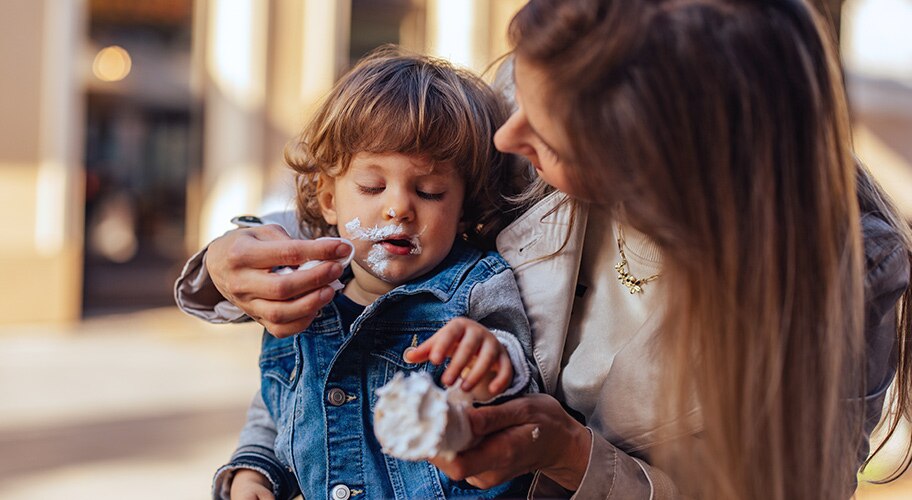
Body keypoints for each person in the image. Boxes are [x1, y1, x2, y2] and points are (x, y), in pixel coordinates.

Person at [176, 0, 912, 498]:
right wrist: (222, 264)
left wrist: (573, 458)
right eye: (516, 94)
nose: (504, 139)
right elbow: (359, 217)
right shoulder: (557, 82)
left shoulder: (847, 275)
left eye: (549, 137)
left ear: (656, 163)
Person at [188, 49, 540, 500]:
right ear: (330, 199)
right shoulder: (298, 299)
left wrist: (495, 364)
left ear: (463, 207)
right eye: (372, 187)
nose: (399, 207)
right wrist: (254, 472)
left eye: (429, 191)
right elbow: (277, 410)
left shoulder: (477, 287)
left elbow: (520, 387)